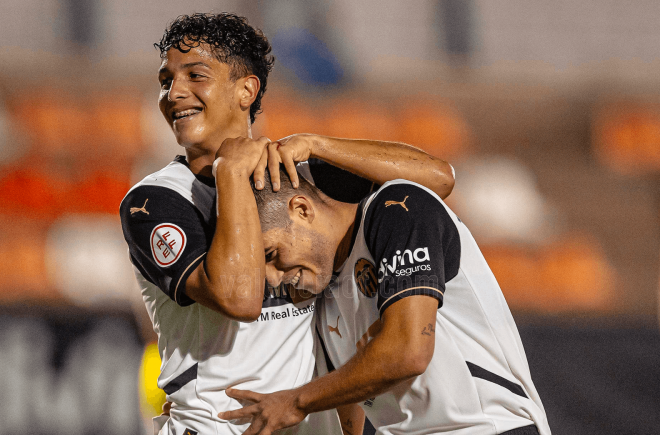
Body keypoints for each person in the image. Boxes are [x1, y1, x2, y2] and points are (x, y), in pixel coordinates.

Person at [119, 12, 455, 435]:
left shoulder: (295, 177)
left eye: (195, 75)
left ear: (246, 89)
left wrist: (318, 144)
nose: (175, 93)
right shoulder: (154, 202)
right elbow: (240, 297)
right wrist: (229, 172)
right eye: (166, 80)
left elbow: (438, 179)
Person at [217, 168, 552, 435]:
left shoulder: (398, 208)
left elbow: (408, 351)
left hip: (485, 428)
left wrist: (296, 401)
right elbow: (351, 387)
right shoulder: (322, 285)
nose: (274, 279)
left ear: (301, 209)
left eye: (272, 255)